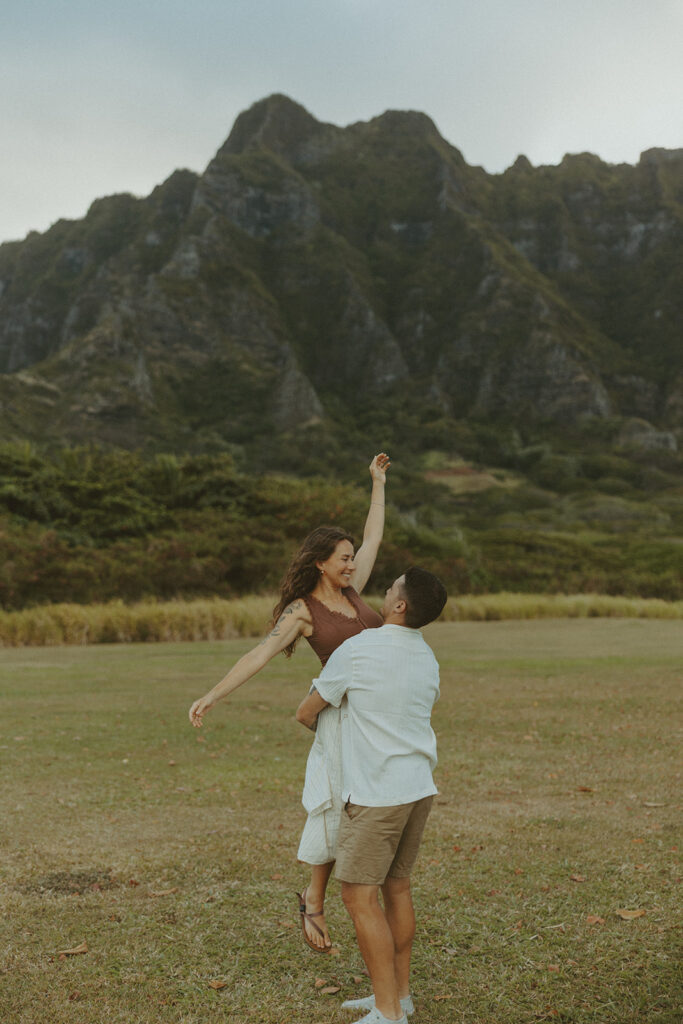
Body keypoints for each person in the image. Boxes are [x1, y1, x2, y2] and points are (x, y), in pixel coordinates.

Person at [188, 453, 391, 952]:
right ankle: (315, 899)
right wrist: (213, 694)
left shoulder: (354, 589)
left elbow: (373, 538)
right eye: (342, 558)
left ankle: (331, 893)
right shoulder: (304, 611)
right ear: (321, 562)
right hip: (339, 718)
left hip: (377, 719)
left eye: (350, 557)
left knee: (363, 809)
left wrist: (377, 484)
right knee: (336, 809)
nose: (351, 563)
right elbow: (260, 652)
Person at [296, 567, 447, 1024]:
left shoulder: (357, 649)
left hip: (377, 793)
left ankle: (388, 1013)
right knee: (396, 888)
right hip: (418, 787)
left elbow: (306, 713)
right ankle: (399, 997)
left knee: (359, 898)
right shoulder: (427, 656)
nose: (382, 593)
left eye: (389, 589)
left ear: (400, 605)